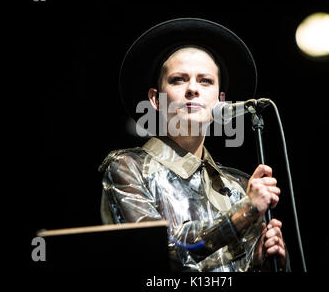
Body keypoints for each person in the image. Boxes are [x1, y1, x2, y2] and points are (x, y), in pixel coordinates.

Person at [99, 18, 290, 272]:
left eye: (206, 81)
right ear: (155, 99)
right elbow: (156, 251)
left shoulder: (240, 186)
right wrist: (242, 213)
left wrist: (258, 263)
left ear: (221, 100)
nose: (192, 89)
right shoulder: (127, 167)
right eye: (178, 79)